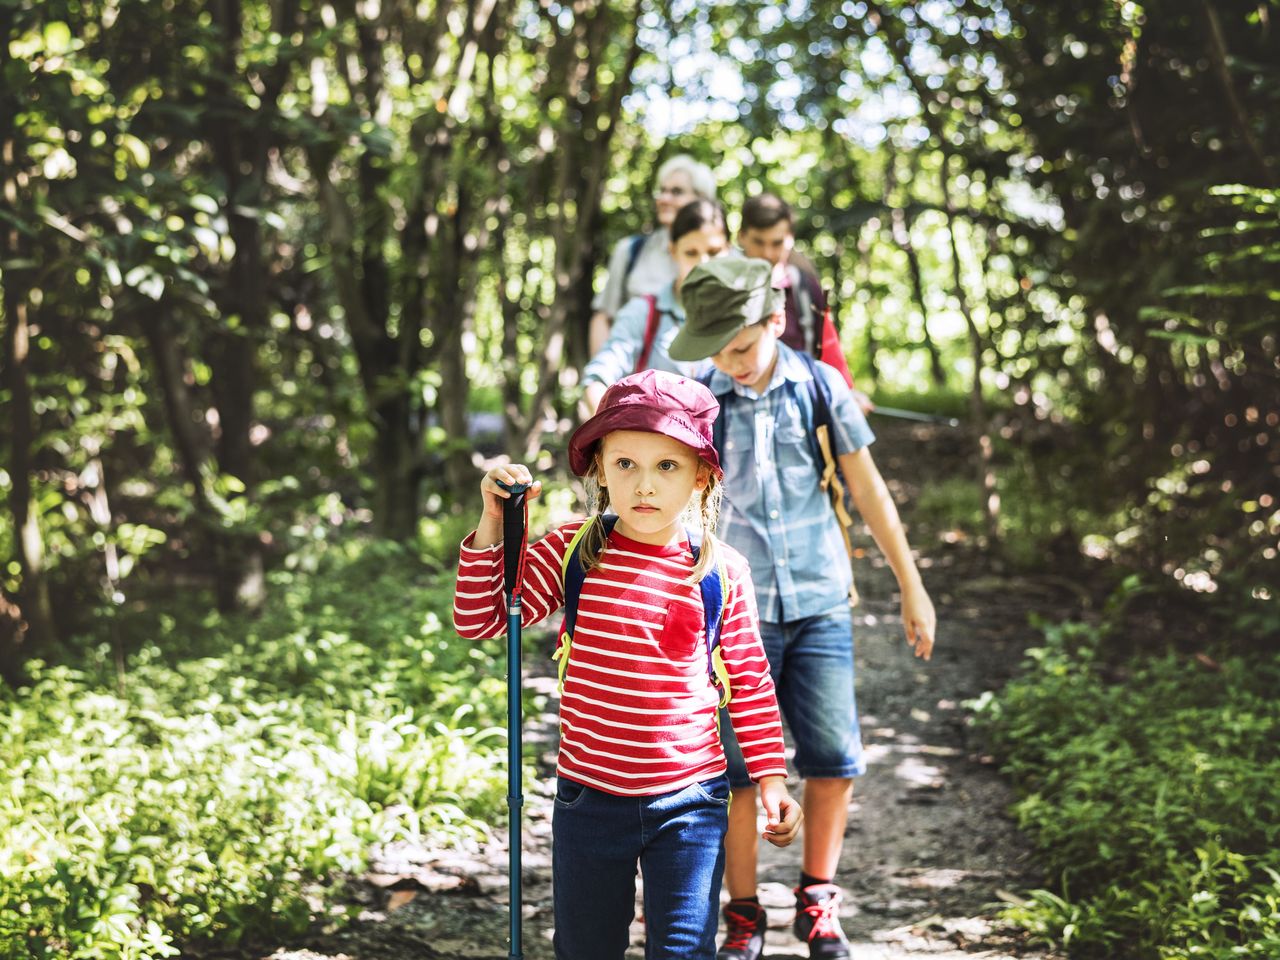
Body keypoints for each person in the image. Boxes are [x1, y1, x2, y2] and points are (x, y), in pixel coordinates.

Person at [453, 369, 804, 959]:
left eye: (667, 466)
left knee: (685, 949)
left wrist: (770, 780)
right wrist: (494, 523)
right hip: (588, 798)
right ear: (599, 470)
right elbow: (481, 618)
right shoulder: (574, 550)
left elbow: (747, 681)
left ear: (701, 476)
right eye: (625, 465)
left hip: (690, 801)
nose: (645, 486)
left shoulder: (720, 570)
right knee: (587, 948)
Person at [667, 259, 938, 960]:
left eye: (741, 345)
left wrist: (911, 584)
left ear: (775, 320)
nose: (733, 361)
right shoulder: (698, 399)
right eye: (718, 349)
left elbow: (868, 489)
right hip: (733, 614)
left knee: (833, 758)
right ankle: (745, 912)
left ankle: (818, 898)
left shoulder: (820, 388)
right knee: (731, 768)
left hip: (820, 600)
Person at [581, 198, 730, 415]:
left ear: (729, 249)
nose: (703, 264)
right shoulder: (643, 313)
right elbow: (597, 378)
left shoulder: (745, 315)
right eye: (691, 253)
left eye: (714, 252)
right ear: (673, 251)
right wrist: (612, 434)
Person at [738, 193, 871, 412]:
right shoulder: (725, 286)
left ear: (790, 238)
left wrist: (846, 392)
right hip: (740, 405)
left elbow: (827, 344)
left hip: (800, 405)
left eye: (777, 243)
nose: (767, 253)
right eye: (758, 242)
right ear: (742, 236)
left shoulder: (805, 287)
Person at [590, 154, 718, 356]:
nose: (664, 199)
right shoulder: (632, 250)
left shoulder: (727, 258)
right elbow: (603, 318)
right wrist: (605, 381)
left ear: (702, 199)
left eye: (677, 192)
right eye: (662, 191)